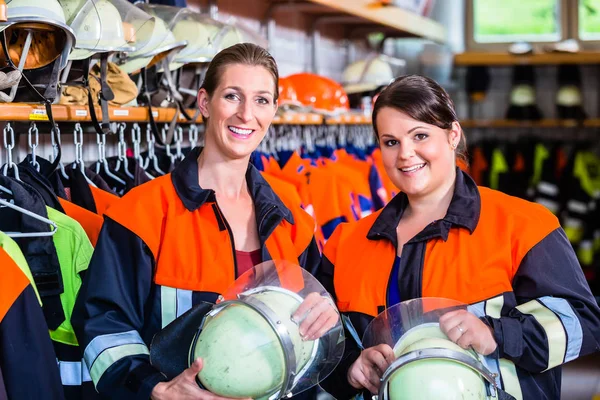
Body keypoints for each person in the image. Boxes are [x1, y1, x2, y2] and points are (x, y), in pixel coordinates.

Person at [72, 43, 338, 400]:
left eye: (261, 100)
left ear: (274, 110)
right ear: (204, 102)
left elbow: (314, 324)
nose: (246, 114)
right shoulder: (143, 212)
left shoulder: (291, 217)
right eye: (232, 96)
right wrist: (154, 389)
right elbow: (103, 325)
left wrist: (326, 311)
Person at [317, 74, 600, 399]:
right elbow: (323, 343)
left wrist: (497, 335)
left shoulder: (523, 225)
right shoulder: (347, 242)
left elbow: (584, 323)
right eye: (391, 142)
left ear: (453, 135)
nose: (405, 154)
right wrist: (352, 367)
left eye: (420, 135)